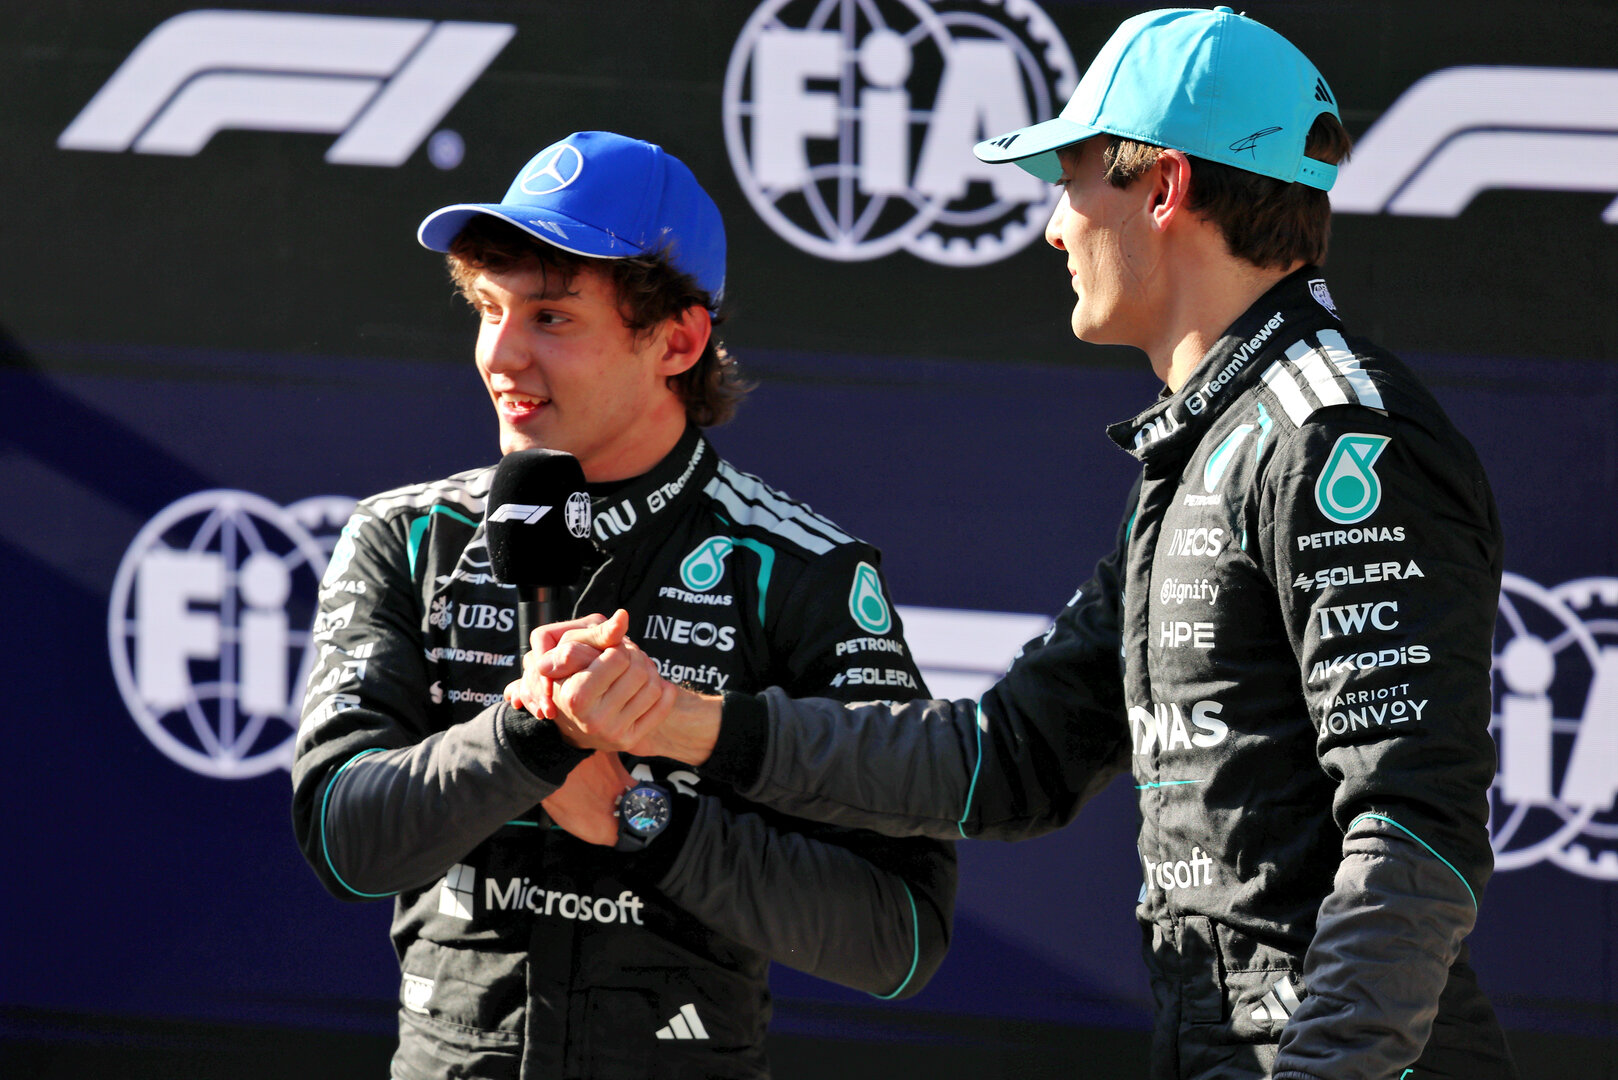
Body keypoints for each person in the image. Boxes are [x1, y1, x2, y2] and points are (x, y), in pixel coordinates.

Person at [515, 13, 1519, 1080]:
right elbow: (1003, 761)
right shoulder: (1206, 448)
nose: (1053, 226)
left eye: (1071, 178)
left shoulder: (1338, 436)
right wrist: (680, 721)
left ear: (1165, 187)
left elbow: (1414, 829)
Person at [290, 130, 956, 1080]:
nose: (501, 356)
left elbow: (899, 935)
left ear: (678, 339)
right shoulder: (408, 538)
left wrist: (645, 816)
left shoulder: (799, 570)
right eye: (488, 308)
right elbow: (341, 840)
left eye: (552, 319)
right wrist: (522, 741)